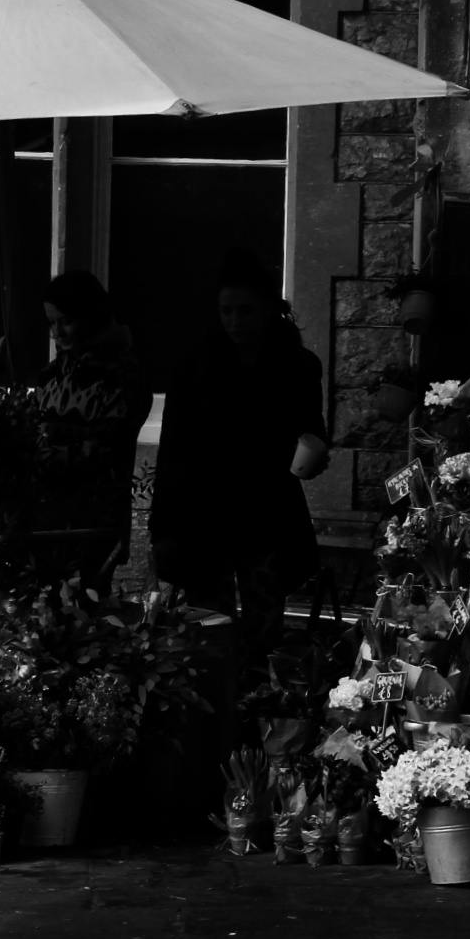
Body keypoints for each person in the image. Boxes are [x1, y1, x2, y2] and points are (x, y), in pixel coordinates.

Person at [147, 249, 331, 656]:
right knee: (208, 631)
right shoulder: (196, 366)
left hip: (265, 513)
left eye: (245, 311)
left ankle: (261, 704)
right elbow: (173, 449)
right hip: (204, 513)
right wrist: (163, 528)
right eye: (226, 311)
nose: (235, 322)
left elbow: (312, 432)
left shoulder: (296, 366)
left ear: (268, 309)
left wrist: (315, 453)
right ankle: (218, 705)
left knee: (264, 627)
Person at [34, 270, 151, 585]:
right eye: (51, 323)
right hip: (48, 523)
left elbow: (105, 450)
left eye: (66, 321)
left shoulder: (120, 374)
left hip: (94, 524)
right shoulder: (54, 373)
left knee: (84, 615)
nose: (57, 332)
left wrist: (40, 456)